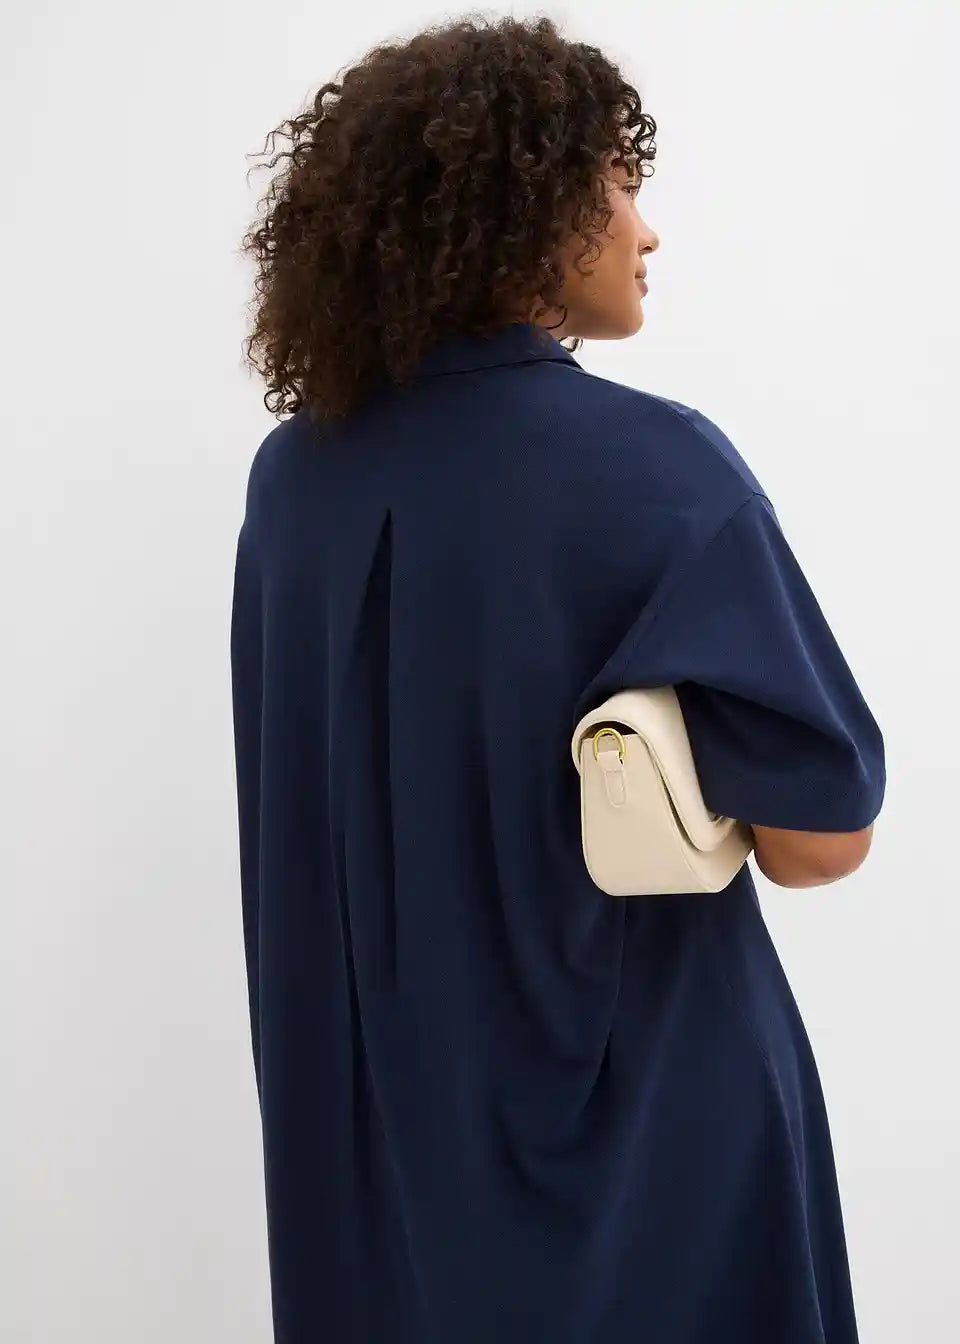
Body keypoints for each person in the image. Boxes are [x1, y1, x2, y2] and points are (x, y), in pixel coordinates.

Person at [231, 16, 885, 1343]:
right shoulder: (658, 467)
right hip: (655, 1134)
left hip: (386, 1149)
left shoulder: (295, 480)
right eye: (620, 185)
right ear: (523, 208)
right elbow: (822, 840)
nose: (648, 230)